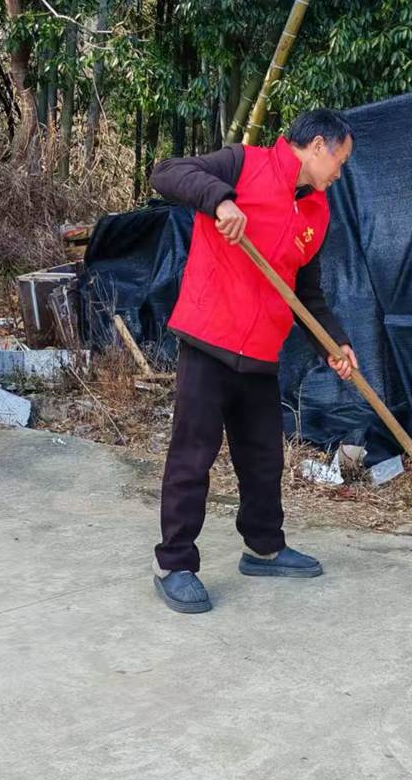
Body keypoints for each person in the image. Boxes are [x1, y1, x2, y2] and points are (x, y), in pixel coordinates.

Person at [149, 108, 358, 614]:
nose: (340, 172)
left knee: (264, 457)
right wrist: (220, 200)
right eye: (341, 161)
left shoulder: (317, 213)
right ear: (319, 146)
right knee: (192, 456)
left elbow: (306, 292)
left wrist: (334, 342)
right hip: (209, 337)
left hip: (261, 349)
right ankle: (174, 564)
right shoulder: (244, 164)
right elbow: (167, 172)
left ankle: (263, 548)